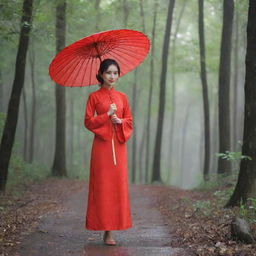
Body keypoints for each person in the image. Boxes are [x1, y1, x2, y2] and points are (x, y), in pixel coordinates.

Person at [84, 59, 133, 246]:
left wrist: (120, 121)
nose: (112, 76)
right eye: (108, 73)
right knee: (103, 187)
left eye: (115, 73)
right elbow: (88, 121)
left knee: (116, 187)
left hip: (118, 147)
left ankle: (113, 228)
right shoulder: (93, 97)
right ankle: (106, 232)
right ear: (101, 75)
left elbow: (129, 119)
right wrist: (105, 115)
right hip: (102, 148)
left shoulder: (122, 97)